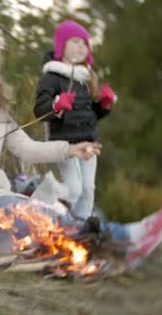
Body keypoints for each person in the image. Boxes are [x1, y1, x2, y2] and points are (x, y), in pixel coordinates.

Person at [0, 44, 100, 232]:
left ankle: (107, 236)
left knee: (56, 215)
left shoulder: (1, 114)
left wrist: (69, 149)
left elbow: (27, 149)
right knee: (38, 219)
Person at [33, 20, 117, 219]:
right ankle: (42, 194)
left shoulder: (87, 77)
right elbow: (39, 110)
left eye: (84, 43)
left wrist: (104, 105)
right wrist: (56, 105)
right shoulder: (52, 76)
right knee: (74, 189)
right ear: (62, 45)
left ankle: (81, 226)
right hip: (64, 141)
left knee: (88, 189)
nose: (81, 46)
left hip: (88, 140)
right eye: (75, 41)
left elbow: (92, 115)